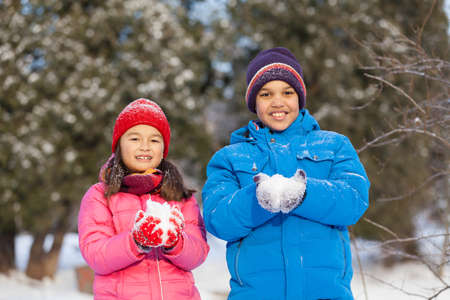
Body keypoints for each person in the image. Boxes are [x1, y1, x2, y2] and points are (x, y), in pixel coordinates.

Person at [202, 47, 370, 300]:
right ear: (253, 102)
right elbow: (218, 220)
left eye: (287, 92)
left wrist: (306, 194)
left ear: (300, 98)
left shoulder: (335, 146)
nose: (278, 102)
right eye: (266, 94)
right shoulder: (230, 158)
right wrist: (256, 199)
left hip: (325, 294)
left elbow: (354, 200)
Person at [78, 98, 209, 300]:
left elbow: (197, 254)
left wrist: (176, 242)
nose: (145, 146)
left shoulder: (180, 196)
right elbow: (96, 256)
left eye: (154, 140)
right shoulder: (99, 196)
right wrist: (136, 241)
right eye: (135, 139)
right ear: (119, 145)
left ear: (163, 149)